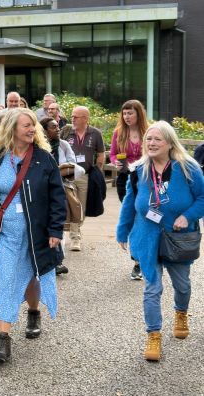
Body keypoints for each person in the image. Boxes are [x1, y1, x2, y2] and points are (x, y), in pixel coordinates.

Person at [0, 108, 66, 363]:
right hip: (5, 234)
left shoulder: (44, 158)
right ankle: (3, 339)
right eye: (26, 125)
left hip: (35, 233)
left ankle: (34, 312)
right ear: (12, 128)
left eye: (33, 125)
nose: (31, 129)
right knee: (7, 280)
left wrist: (55, 230)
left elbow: (57, 197)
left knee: (30, 278)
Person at [117, 121, 204, 362]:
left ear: (169, 143)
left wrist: (188, 216)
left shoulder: (188, 168)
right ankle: (153, 334)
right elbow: (129, 204)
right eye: (149, 139)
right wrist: (122, 232)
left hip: (178, 238)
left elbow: (202, 197)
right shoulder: (138, 171)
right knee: (152, 288)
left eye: (158, 139)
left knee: (183, 285)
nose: (152, 143)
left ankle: (181, 313)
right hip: (147, 237)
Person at [40, 117, 85, 275]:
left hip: (62, 188)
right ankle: (48, 259)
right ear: (45, 130)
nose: (58, 129)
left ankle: (58, 261)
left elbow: (75, 165)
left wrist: (64, 169)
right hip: (42, 191)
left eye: (58, 127)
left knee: (58, 223)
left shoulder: (64, 145)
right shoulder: (38, 146)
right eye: (53, 127)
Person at [110, 99, 148, 280]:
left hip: (145, 180)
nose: (126, 117)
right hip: (125, 179)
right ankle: (137, 260)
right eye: (124, 113)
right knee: (131, 217)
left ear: (138, 114)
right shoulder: (119, 132)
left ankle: (140, 260)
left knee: (144, 217)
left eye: (130, 113)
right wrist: (115, 161)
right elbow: (112, 153)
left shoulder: (148, 131)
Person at [61, 106, 105, 251]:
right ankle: (75, 237)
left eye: (76, 117)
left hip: (85, 175)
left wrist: (97, 171)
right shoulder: (66, 132)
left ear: (85, 118)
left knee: (82, 207)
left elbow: (100, 154)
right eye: (72, 116)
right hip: (68, 175)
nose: (72, 119)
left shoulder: (95, 133)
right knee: (71, 204)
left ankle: (76, 230)